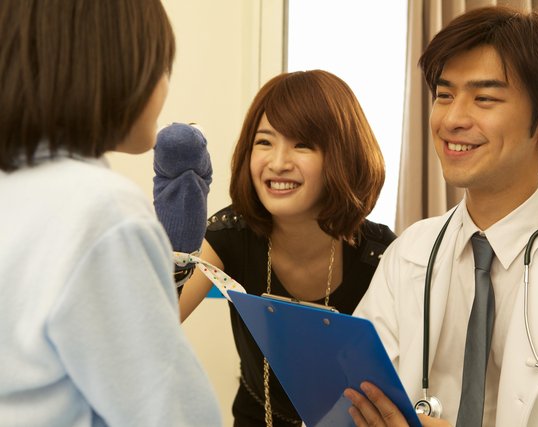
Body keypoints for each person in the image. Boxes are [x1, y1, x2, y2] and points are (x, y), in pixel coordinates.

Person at [345, 5, 538, 427]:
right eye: (444, 95)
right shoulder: (409, 255)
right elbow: (354, 400)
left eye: (484, 98)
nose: (452, 119)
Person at [0, 1, 221, 425]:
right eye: (161, 67)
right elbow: (172, 414)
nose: (164, 86)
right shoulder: (103, 211)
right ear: (116, 71)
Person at [179, 69, 397, 426]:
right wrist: (175, 238)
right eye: (265, 142)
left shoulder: (383, 256)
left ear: (342, 155)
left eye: (302, 144)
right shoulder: (231, 232)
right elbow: (155, 319)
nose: (278, 163)